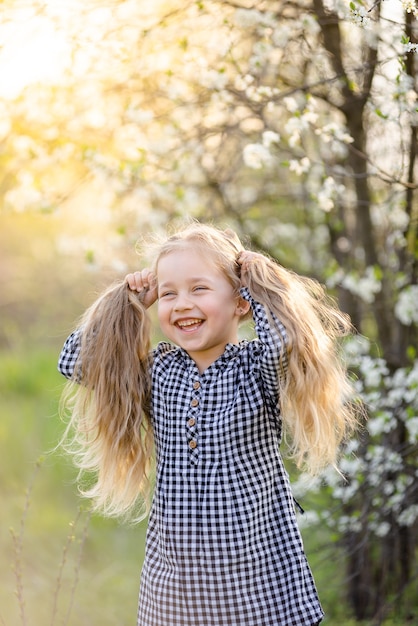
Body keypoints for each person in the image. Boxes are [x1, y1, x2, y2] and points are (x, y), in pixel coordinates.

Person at [58, 222, 357, 626]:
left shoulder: (255, 368)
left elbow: (284, 340)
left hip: (256, 582)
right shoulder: (159, 372)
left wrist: (257, 279)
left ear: (239, 303)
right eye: (169, 293)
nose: (181, 303)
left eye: (199, 289)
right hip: (177, 586)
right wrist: (126, 300)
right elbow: (75, 363)